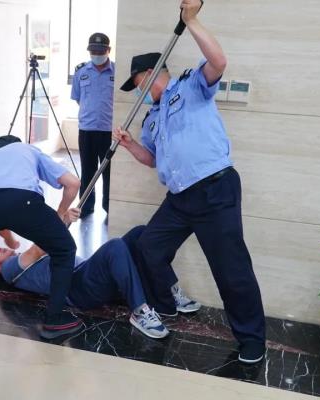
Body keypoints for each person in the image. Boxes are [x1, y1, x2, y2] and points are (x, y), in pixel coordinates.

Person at [113, 0, 266, 363]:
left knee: (230, 269)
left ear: (151, 73)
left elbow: (219, 62)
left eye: (138, 84)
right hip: (180, 197)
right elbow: (153, 160)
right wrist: (131, 144)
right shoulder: (151, 118)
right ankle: (168, 302)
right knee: (150, 246)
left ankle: (252, 340)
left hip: (215, 188)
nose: (139, 92)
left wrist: (191, 20)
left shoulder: (190, 86)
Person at [0, 134, 83, 340]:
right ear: (19, 144)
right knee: (64, 249)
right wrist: (60, 214)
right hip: (22, 200)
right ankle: (54, 320)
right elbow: (73, 183)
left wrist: (9, 240)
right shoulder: (28, 150)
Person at [0, 225, 201, 339]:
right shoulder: (7, 269)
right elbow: (38, 249)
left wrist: (63, 220)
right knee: (115, 246)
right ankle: (140, 312)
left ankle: (167, 292)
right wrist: (62, 219)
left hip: (84, 274)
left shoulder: (16, 262)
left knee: (140, 233)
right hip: (77, 288)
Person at [71, 32, 115, 219]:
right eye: (93, 51)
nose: (96, 54)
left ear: (108, 50)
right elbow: (78, 98)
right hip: (87, 130)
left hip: (109, 131)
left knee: (109, 172)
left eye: (100, 51)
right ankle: (86, 206)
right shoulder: (81, 71)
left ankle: (109, 208)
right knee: (87, 170)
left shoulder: (117, 72)